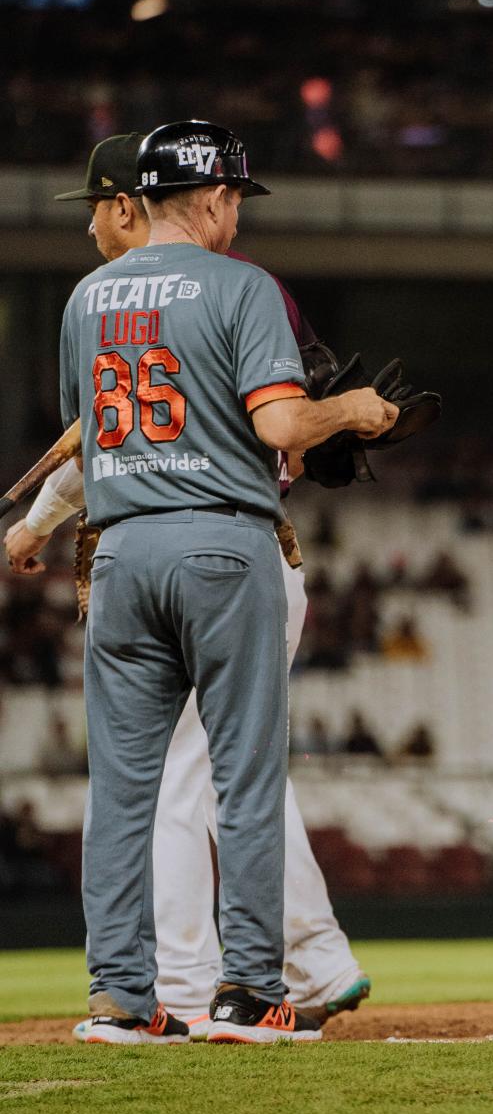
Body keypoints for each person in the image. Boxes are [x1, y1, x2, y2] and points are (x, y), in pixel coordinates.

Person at [5, 133, 374, 1036]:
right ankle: (249, 989)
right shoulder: (242, 285)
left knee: (123, 790)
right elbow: (284, 419)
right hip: (222, 542)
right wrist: (354, 412)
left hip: (120, 554)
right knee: (243, 781)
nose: (237, 211)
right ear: (207, 199)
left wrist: (33, 525)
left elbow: (92, 438)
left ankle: (122, 999)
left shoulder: (87, 297)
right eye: (234, 197)